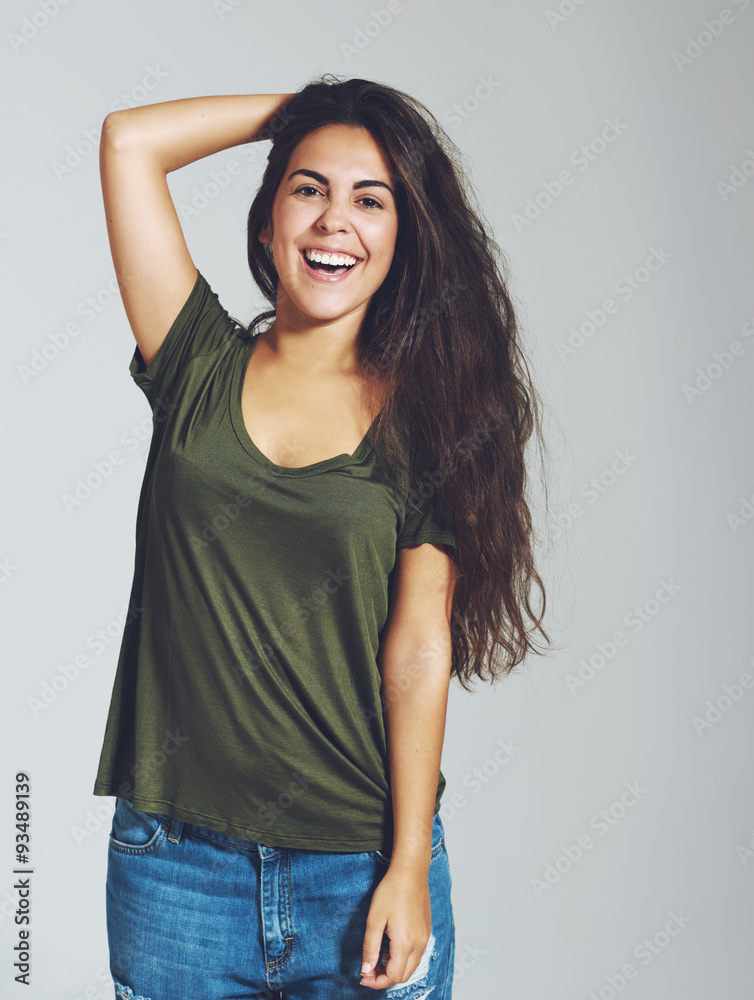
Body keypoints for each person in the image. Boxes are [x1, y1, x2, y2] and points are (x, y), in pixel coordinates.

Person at [92, 75, 552, 999]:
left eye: (370, 199)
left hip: (359, 869)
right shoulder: (195, 366)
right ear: (267, 223)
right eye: (309, 188)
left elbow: (419, 650)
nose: (334, 219)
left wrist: (409, 866)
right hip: (176, 866)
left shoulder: (433, 420)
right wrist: (311, 111)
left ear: (402, 241)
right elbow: (128, 142)